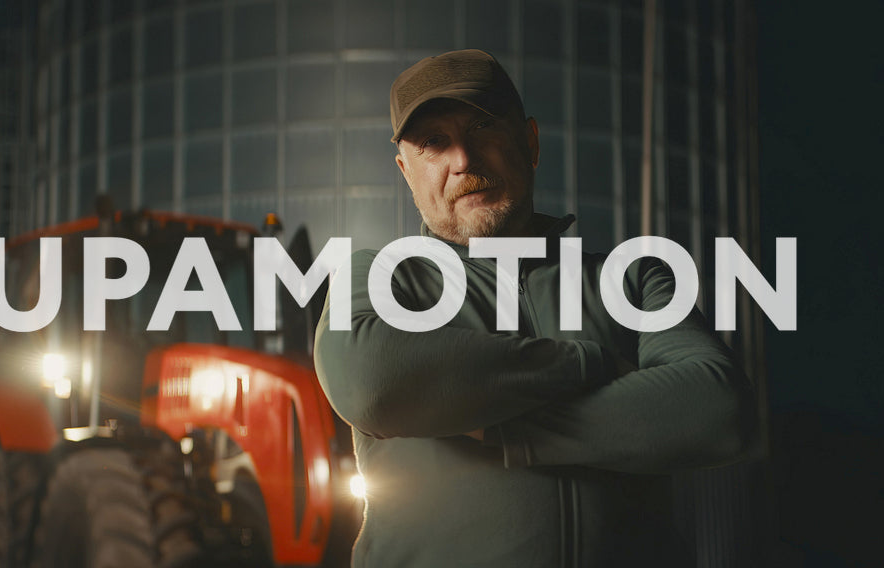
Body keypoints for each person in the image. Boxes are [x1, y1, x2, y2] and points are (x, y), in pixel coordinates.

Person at [313, 49, 755, 567]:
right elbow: (372, 382)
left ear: (531, 142)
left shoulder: (631, 277)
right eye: (434, 142)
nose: (463, 161)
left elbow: (718, 410)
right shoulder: (383, 276)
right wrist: (588, 365)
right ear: (406, 171)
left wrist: (509, 430)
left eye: (482, 127)